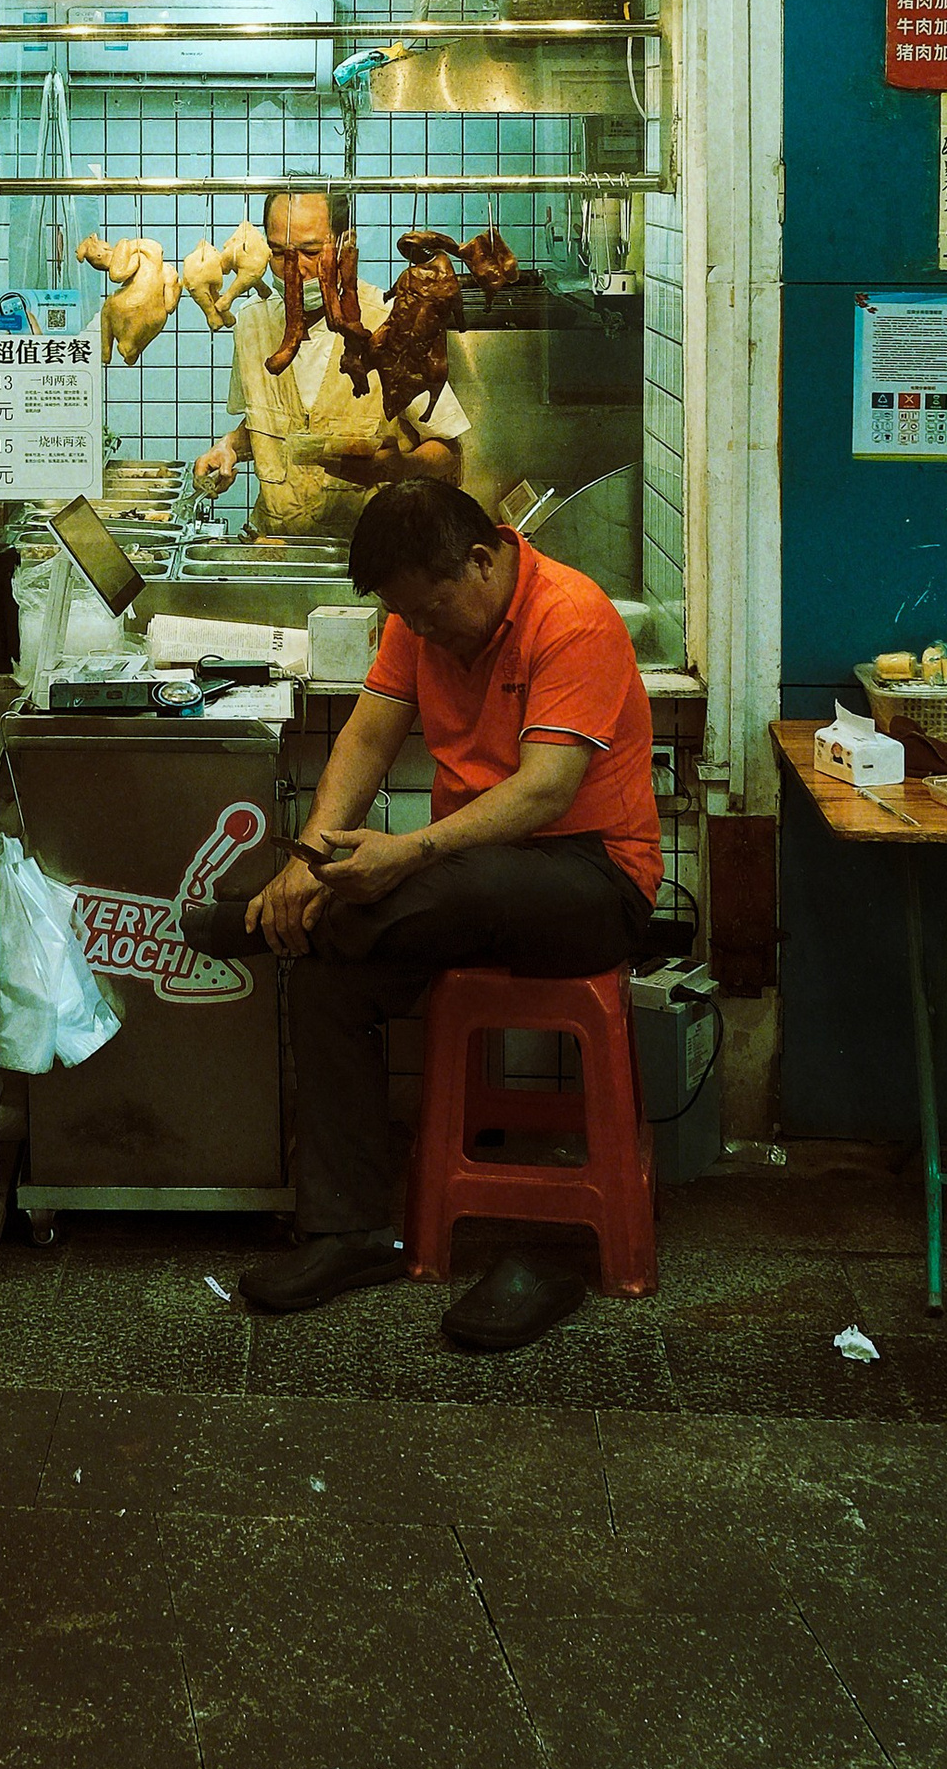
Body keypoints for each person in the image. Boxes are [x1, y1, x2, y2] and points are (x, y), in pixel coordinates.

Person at [183, 478, 661, 1352]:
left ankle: (249, 925)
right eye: (414, 618)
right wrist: (317, 855)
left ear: (482, 560)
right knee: (331, 977)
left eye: (436, 613)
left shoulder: (574, 617)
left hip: (592, 880)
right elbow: (366, 735)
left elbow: (545, 789)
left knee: (450, 874)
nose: (427, 632)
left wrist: (401, 852)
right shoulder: (417, 614)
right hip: (466, 870)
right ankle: (353, 1232)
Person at [190, 184, 468, 540]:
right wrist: (229, 446)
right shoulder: (252, 322)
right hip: (279, 550)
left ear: (343, 243)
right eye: (278, 252)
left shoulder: (390, 320)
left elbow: (449, 449)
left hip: (377, 554)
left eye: (309, 251)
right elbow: (269, 421)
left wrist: (401, 467)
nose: (295, 268)